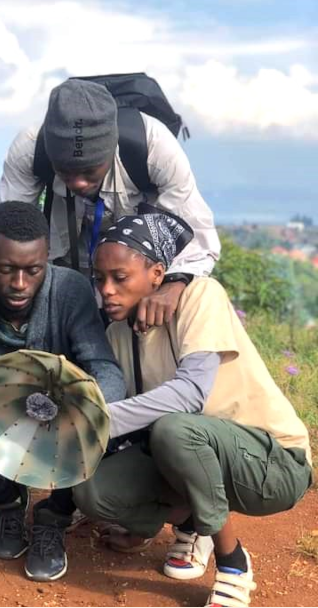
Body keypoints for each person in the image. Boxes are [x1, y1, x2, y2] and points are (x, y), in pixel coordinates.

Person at [72, 210, 312, 607]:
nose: (106, 291)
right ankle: (191, 523)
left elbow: (190, 396)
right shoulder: (117, 334)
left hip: (273, 464)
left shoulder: (201, 296)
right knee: (93, 489)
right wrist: (137, 525)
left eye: (120, 277)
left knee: (175, 428)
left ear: (157, 274)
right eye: (99, 279)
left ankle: (233, 563)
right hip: (195, 457)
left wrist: (98, 420)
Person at [0, 201, 127, 582]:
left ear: (48, 259)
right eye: (6, 269)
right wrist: (20, 409)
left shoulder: (71, 290)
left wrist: (80, 414)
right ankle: (9, 503)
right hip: (1, 437)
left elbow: (106, 371)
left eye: (33, 269)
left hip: (66, 429)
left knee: (101, 448)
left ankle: (53, 516)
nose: (20, 283)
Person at [0, 79, 220, 332]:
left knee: (170, 307)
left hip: (134, 265)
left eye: (90, 172)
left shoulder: (153, 145)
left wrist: (173, 284)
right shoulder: (30, 148)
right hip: (66, 260)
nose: (79, 183)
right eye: (66, 172)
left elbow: (195, 232)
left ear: (110, 150)